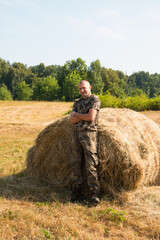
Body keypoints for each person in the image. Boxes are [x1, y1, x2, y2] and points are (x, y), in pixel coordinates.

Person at [70, 80, 101, 204]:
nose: (82, 91)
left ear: (90, 87)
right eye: (80, 89)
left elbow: (91, 117)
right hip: (76, 135)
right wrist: (80, 116)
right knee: (75, 164)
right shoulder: (77, 102)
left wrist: (77, 114)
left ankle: (94, 194)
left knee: (91, 164)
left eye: (84, 88)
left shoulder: (94, 99)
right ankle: (76, 193)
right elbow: (71, 120)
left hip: (89, 135)